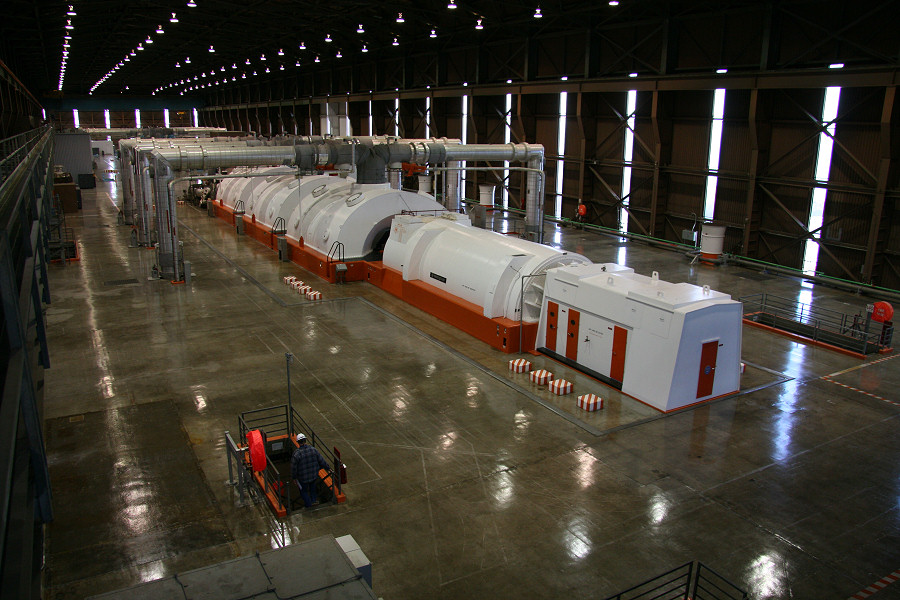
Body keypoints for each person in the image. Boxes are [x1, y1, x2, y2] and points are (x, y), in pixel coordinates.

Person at [290, 433, 328, 508]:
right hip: (313, 475)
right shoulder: (313, 450)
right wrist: (328, 468)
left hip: (302, 478)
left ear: (298, 442)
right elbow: (321, 460)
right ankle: (313, 501)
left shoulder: (297, 454)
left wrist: (294, 477)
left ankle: (308, 505)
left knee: (303, 491)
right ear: (305, 440)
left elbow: (293, 467)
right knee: (312, 489)